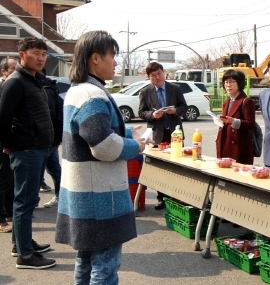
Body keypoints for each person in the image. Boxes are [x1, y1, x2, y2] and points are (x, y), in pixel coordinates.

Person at [55, 30, 146, 284]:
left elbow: (88, 134)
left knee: (86, 261)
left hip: (85, 192)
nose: (115, 62)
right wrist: (135, 146)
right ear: (95, 58)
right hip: (100, 197)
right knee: (105, 267)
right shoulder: (91, 95)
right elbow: (103, 145)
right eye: (112, 56)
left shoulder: (79, 90)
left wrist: (127, 132)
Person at [0, 38, 56, 269]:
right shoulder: (15, 82)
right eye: (36, 53)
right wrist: (7, 144)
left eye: (44, 53)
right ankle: (25, 255)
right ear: (23, 55)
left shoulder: (34, 81)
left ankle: (21, 244)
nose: (41, 58)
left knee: (26, 199)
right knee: (25, 201)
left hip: (38, 148)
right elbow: (2, 116)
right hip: (26, 149)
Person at [138, 62, 187, 210]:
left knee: (177, 166)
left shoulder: (175, 89)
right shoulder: (145, 92)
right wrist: (152, 115)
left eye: (159, 73)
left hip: (175, 133)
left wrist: (175, 111)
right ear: (149, 77)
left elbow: (184, 107)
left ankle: (178, 197)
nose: (157, 77)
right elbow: (141, 113)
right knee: (159, 169)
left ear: (164, 73)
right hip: (156, 135)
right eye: (153, 75)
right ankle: (162, 198)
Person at [216, 70, 256, 164]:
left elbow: (250, 124)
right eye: (226, 82)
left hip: (239, 147)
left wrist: (233, 121)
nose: (228, 85)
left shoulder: (246, 101)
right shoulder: (226, 102)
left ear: (240, 83)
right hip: (224, 143)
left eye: (232, 82)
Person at [39, 70, 63, 208]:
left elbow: (48, 116)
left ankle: (32, 200)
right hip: (52, 138)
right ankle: (61, 196)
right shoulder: (50, 87)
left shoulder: (45, 90)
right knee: (53, 168)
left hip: (46, 138)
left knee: (39, 170)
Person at [0, 56, 18, 234]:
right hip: (4, 144)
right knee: (3, 181)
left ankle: (10, 211)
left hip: (15, 143)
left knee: (11, 180)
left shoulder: (15, 88)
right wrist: (4, 143)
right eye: (12, 68)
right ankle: (1, 220)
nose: (16, 71)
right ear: (3, 72)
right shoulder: (3, 89)